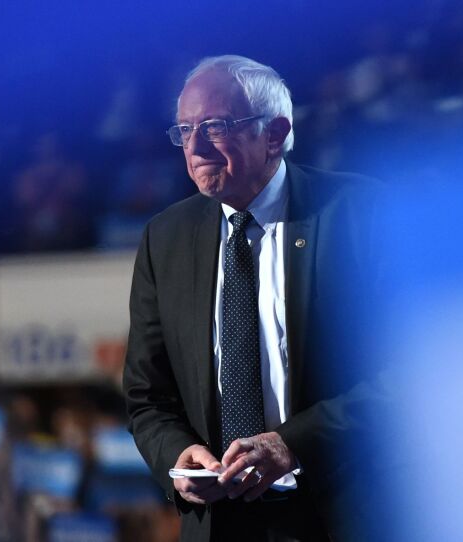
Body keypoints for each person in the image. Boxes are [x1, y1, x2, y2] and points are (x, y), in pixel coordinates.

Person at [123, 55, 388, 542]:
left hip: (342, 515)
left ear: (274, 133)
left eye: (215, 126)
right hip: (218, 526)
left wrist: (292, 445)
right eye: (184, 130)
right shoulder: (164, 240)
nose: (195, 146)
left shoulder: (363, 215)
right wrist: (177, 456)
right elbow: (147, 397)